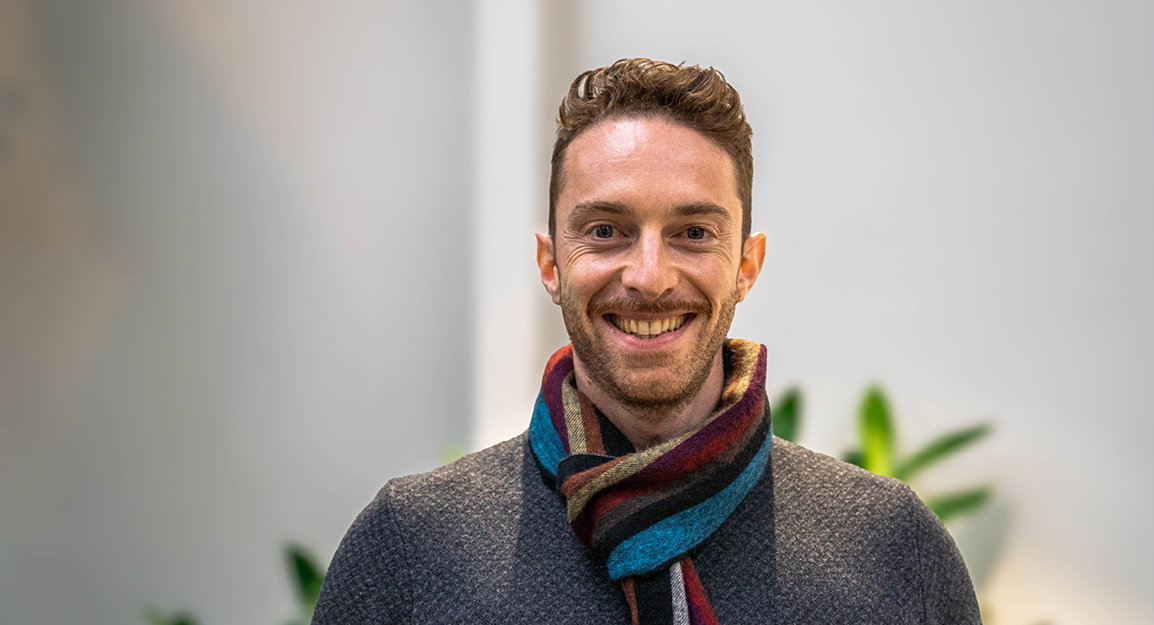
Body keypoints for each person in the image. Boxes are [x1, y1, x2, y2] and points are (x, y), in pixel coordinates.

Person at [311, 58, 981, 625]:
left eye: (693, 232)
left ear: (747, 263)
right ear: (550, 263)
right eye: (606, 230)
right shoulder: (408, 549)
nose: (650, 276)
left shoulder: (894, 552)